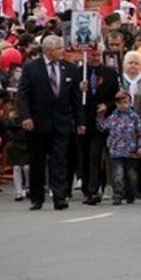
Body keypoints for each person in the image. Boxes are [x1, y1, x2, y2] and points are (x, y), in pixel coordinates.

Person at [17, 35, 83, 210]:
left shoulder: (70, 69)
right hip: (38, 123)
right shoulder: (31, 68)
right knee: (37, 161)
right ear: (48, 50)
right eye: (60, 48)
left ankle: (60, 197)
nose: (63, 51)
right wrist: (25, 116)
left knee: (59, 160)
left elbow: (75, 99)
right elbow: (23, 95)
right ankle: (37, 198)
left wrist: (79, 121)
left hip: (61, 122)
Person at [78, 50, 120, 205]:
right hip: (84, 120)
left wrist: (107, 106)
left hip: (101, 121)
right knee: (84, 155)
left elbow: (116, 97)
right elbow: (74, 98)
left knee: (95, 155)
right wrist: (79, 88)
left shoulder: (109, 73)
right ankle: (86, 187)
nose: (94, 58)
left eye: (97, 55)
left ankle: (93, 190)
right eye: (91, 55)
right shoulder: (80, 73)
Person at [96, 90, 141, 205]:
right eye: (120, 103)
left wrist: (140, 146)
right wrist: (100, 115)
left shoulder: (134, 117)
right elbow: (102, 127)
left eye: (125, 102)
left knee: (131, 175)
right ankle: (118, 194)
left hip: (130, 151)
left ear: (130, 103)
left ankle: (131, 192)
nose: (123, 105)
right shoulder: (113, 117)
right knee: (118, 174)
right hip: (116, 151)